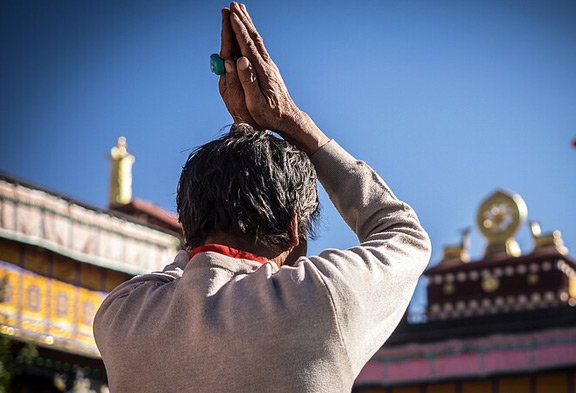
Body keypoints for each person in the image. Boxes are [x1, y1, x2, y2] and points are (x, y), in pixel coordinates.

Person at [93, 3, 431, 392]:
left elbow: (194, 265)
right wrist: (293, 122)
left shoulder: (123, 316)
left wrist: (245, 143)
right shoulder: (319, 298)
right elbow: (404, 236)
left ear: (187, 227)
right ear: (294, 229)